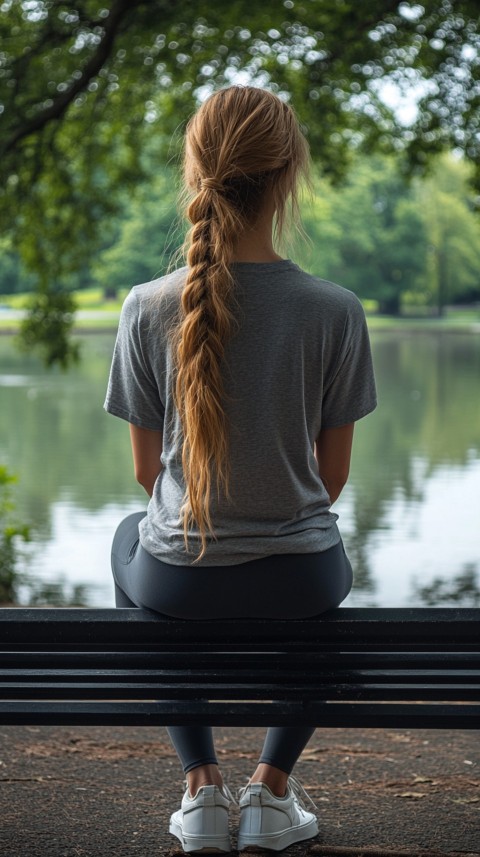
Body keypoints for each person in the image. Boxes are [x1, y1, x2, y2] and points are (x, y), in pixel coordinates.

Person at [104, 85, 377, 854]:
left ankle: (200, 791)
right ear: (289, 175)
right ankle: (272, 791)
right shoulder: (335, 310)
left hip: (180, 581)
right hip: (301, 580)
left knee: (132, 534)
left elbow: (143, 475)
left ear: (196, 173)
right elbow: (328, 482)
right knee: (326, 551)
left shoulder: (145, 304)